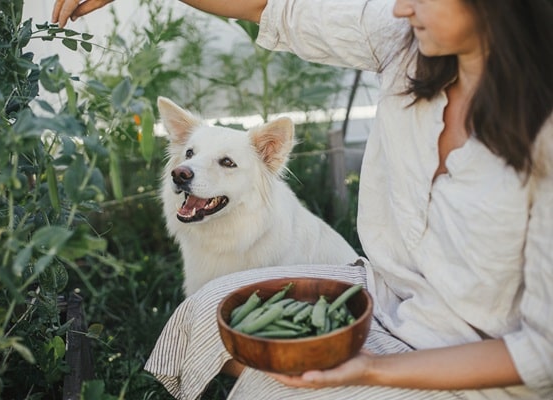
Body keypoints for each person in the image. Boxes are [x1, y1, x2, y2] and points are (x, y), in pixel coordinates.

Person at [52, 0, 553, 399]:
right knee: (208, 310)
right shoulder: (402, 43)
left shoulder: (544, 135)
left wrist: (373, 370)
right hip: (377, 298)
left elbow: (543, 355)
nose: (400, 8)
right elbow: (273, 7)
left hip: (473, 363)